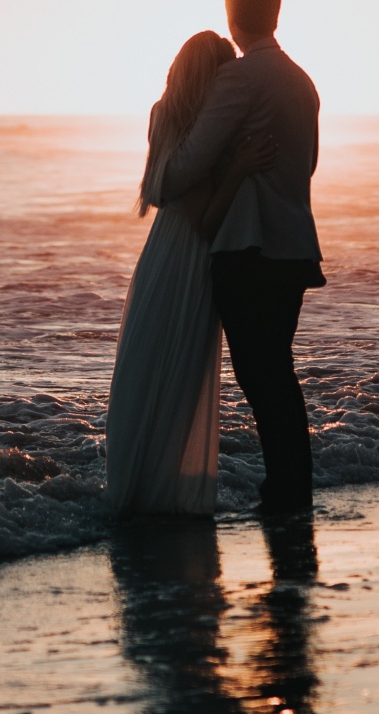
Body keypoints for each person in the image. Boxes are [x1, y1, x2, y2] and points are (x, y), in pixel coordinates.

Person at [160, 0, 323, 514]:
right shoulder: (302, 81)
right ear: (275, 15)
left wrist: (166, 167)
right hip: (295, 246)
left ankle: (285, 492)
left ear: (233, 17)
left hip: (248, 250)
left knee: (261, 377)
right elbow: (309, 166)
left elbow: (187, 165)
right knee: (277, 371)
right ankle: (290, 486)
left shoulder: (242, 78)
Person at [105, 31, 275, 516]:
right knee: (178, 375)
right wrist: (240, 167)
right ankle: (160, 495)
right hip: (191, 262)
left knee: (144, 369)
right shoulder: (202, 134)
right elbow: (205, 220)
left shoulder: (162, 115)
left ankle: (133, 485)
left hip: (159, 253)